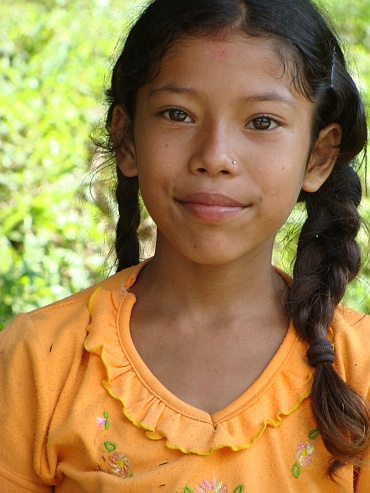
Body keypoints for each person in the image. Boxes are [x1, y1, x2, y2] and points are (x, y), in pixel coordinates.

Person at [1, 0, 369, 491]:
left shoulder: (358, 368)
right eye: (178, 114)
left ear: (318, 157)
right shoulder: (40, 359)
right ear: (128, 140)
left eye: (262, 121)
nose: (215, 157)